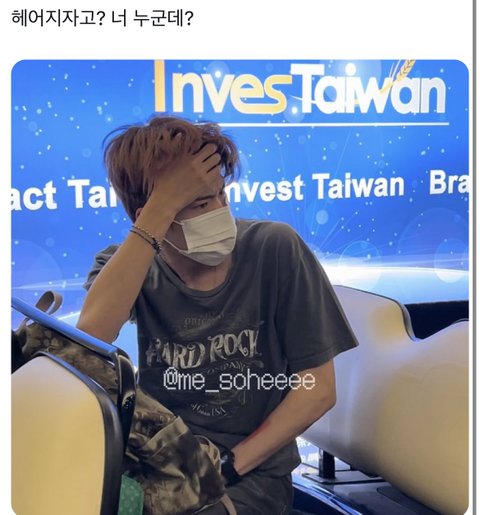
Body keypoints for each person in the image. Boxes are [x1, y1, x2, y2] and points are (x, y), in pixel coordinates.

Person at [77, 115, 358, 514]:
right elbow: (90, 339)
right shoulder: (128, 265)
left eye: (221, 195)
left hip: (250, 474)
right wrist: (158, 214)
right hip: (158, 464)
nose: (220, 210)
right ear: (150, 214)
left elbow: (318, 390)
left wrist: (224, 467)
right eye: (200, 203)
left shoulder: (274, 248)